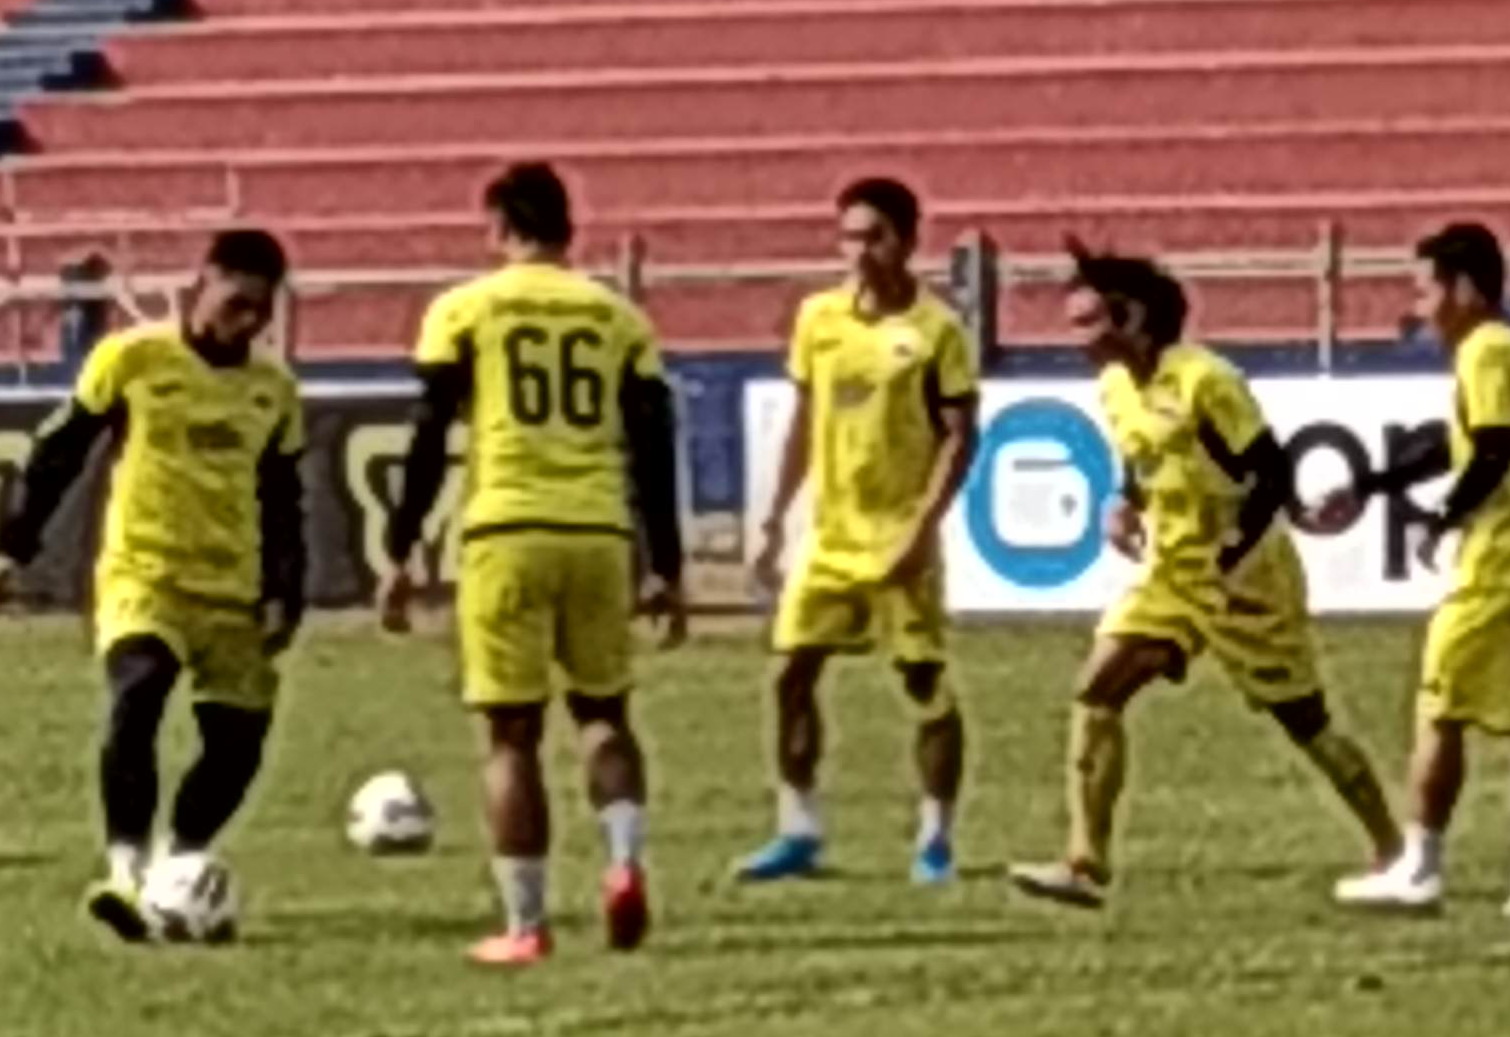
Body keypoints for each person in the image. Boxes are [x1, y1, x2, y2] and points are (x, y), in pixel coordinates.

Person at [1009, 246, 1405, 912]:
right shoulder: (1115, 386)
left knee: (1307, 724)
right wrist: (1123, 502)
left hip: (1249, 579)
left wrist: (1227, 557)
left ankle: (1396, 850)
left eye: (1087, 322)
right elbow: (1143, 456)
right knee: (1097, 689)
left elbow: (1272, 475)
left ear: (1130, 317)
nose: (1074, 339)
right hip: (1173, 575)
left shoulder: (1206, 382)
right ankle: (1085, 862)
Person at [376, 164, 688, 967]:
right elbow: (653, 446)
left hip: (506, 530)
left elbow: (427, 432)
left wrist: (403, 546)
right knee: (603, 714)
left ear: (497, 228)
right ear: (568, 230)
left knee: (511, 736)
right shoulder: (617, 316)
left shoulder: (465, 309)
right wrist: (668, 564)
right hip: (597, 531)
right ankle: (622, 862)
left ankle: (526, 923)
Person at [0, 228, 305, 943]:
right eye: (236, 302)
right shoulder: (132, 359)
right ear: (205, 282)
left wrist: (288, 589)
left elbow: (284, 502)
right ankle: (127, 871)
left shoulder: (274, 392)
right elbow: (59, 452)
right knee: (139, 692)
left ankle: (180, 865)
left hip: (234, 591)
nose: (246, 321)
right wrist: (12, 547)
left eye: (260, 310)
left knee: (237, 746)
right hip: (144, 575)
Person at [1336, 223, 1510, 921]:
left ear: (1465, 289)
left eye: (1426, 290)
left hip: (1501, 559)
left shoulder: (1482, 352)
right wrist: (1375, 483)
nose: (1420, 309)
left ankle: (1420, 865)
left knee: (1440, 709)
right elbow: (1464, 442)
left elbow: (1493, 451)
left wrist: (1442, 517)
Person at [741, 178, 980, 886]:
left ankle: (936, 836)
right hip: (830, 537)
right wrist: (775, 517)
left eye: (873, 236)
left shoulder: (937, 330)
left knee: (921, 681)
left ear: (907, 241)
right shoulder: (819, 318)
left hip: (899, 536)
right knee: (790, 674)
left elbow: (960, 437)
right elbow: (804, 422)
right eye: (849, 236)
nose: (859, 251)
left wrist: (922, 528)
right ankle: (798, 827)